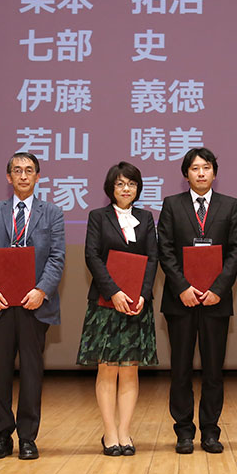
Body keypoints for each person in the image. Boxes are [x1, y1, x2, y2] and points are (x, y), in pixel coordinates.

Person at [0, 152, 65, 461]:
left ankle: (28, 437)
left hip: (34, 304)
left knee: (31, 373)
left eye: (29, 170)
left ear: (38, 177)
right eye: (17, 170)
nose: (23, 175)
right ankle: (1, 437)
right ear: (8, 177)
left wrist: (42, 290)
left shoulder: (52, 212)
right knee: (0, 373)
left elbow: (57, 257)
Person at [158, 147, 237, 454]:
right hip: (180, 301)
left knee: (213, 370)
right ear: (186, 174)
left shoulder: (229, 205)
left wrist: (218, 288)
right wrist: (182, 287)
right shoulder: (172, 204)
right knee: (180, 369)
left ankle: (210, 431)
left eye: (206, 167)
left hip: (216, 301)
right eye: (195, 168)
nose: (201, 173)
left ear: (214, 173)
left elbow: (235, 251)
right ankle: (183, 431)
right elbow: (165, 249)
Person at [76, 162, 159, 456]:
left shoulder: (146, 218)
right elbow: (92, 257)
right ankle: (109, 433)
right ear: (111, 188)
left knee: (130, 370)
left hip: (137, 304)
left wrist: (142, 295)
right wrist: (114, 292)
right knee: (108, 369)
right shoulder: (98, 217)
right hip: (106, 303)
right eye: (120, 184)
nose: (126, 189)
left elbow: (152, 258)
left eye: (132, 184)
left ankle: (125, 431)